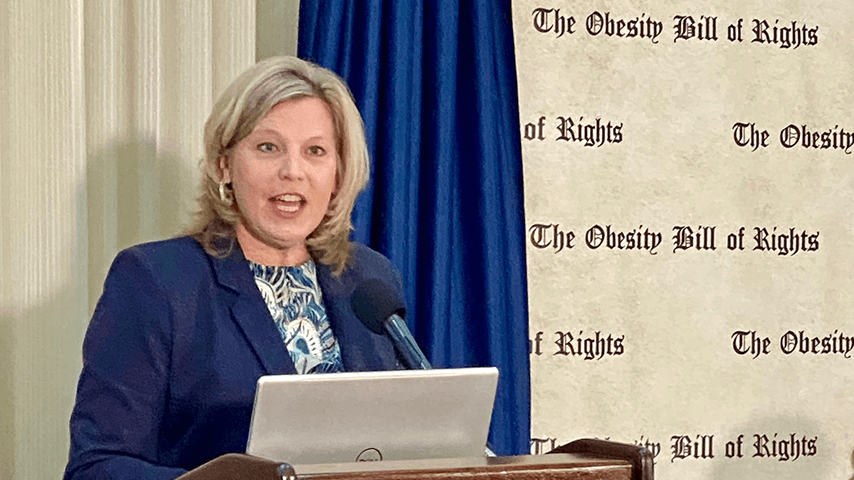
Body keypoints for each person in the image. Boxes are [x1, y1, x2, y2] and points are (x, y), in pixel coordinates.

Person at [63, 56, 403, 479]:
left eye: (315, 151)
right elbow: (96, 468)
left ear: (338, 173)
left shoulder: (367, 280)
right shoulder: (158, 281)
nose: (292, 171)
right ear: (225, 165)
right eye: (268, 147)